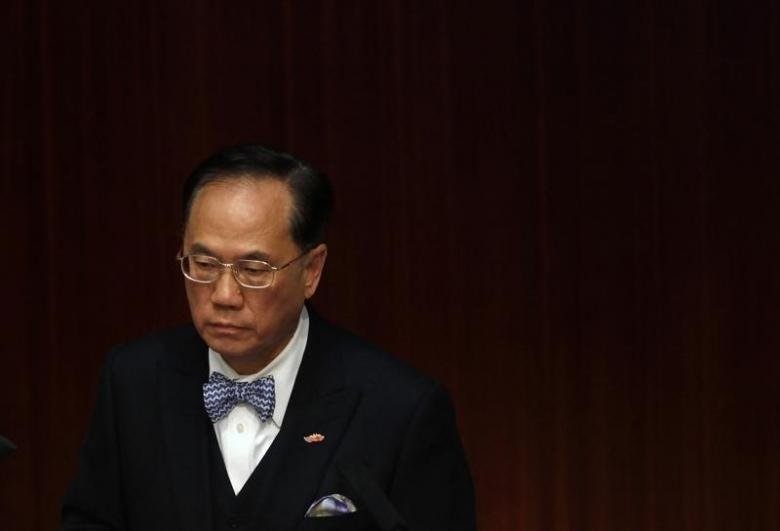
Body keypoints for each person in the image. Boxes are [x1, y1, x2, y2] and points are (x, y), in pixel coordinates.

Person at [61, 144, 476, 531]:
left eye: (254, 270)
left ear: (311, 270)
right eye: (203, 263)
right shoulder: (132, 382)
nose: (224, 295)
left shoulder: (401, 409)